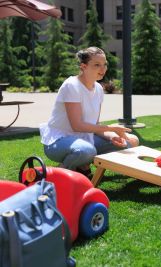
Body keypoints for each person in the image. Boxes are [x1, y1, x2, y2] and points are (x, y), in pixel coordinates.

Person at [40, 47, 139, 178]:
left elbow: (95, 125)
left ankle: (82, 166)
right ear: (83, 66)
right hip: (58, 141)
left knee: (131, 141)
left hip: (85, 139)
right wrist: (111, 128)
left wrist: (113, 136)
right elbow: (77, 125)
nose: (102, 69)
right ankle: (55, 175)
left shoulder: (98, 88)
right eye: (97, 65)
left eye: (104, 65)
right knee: (86, 151)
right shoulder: (71, 85)